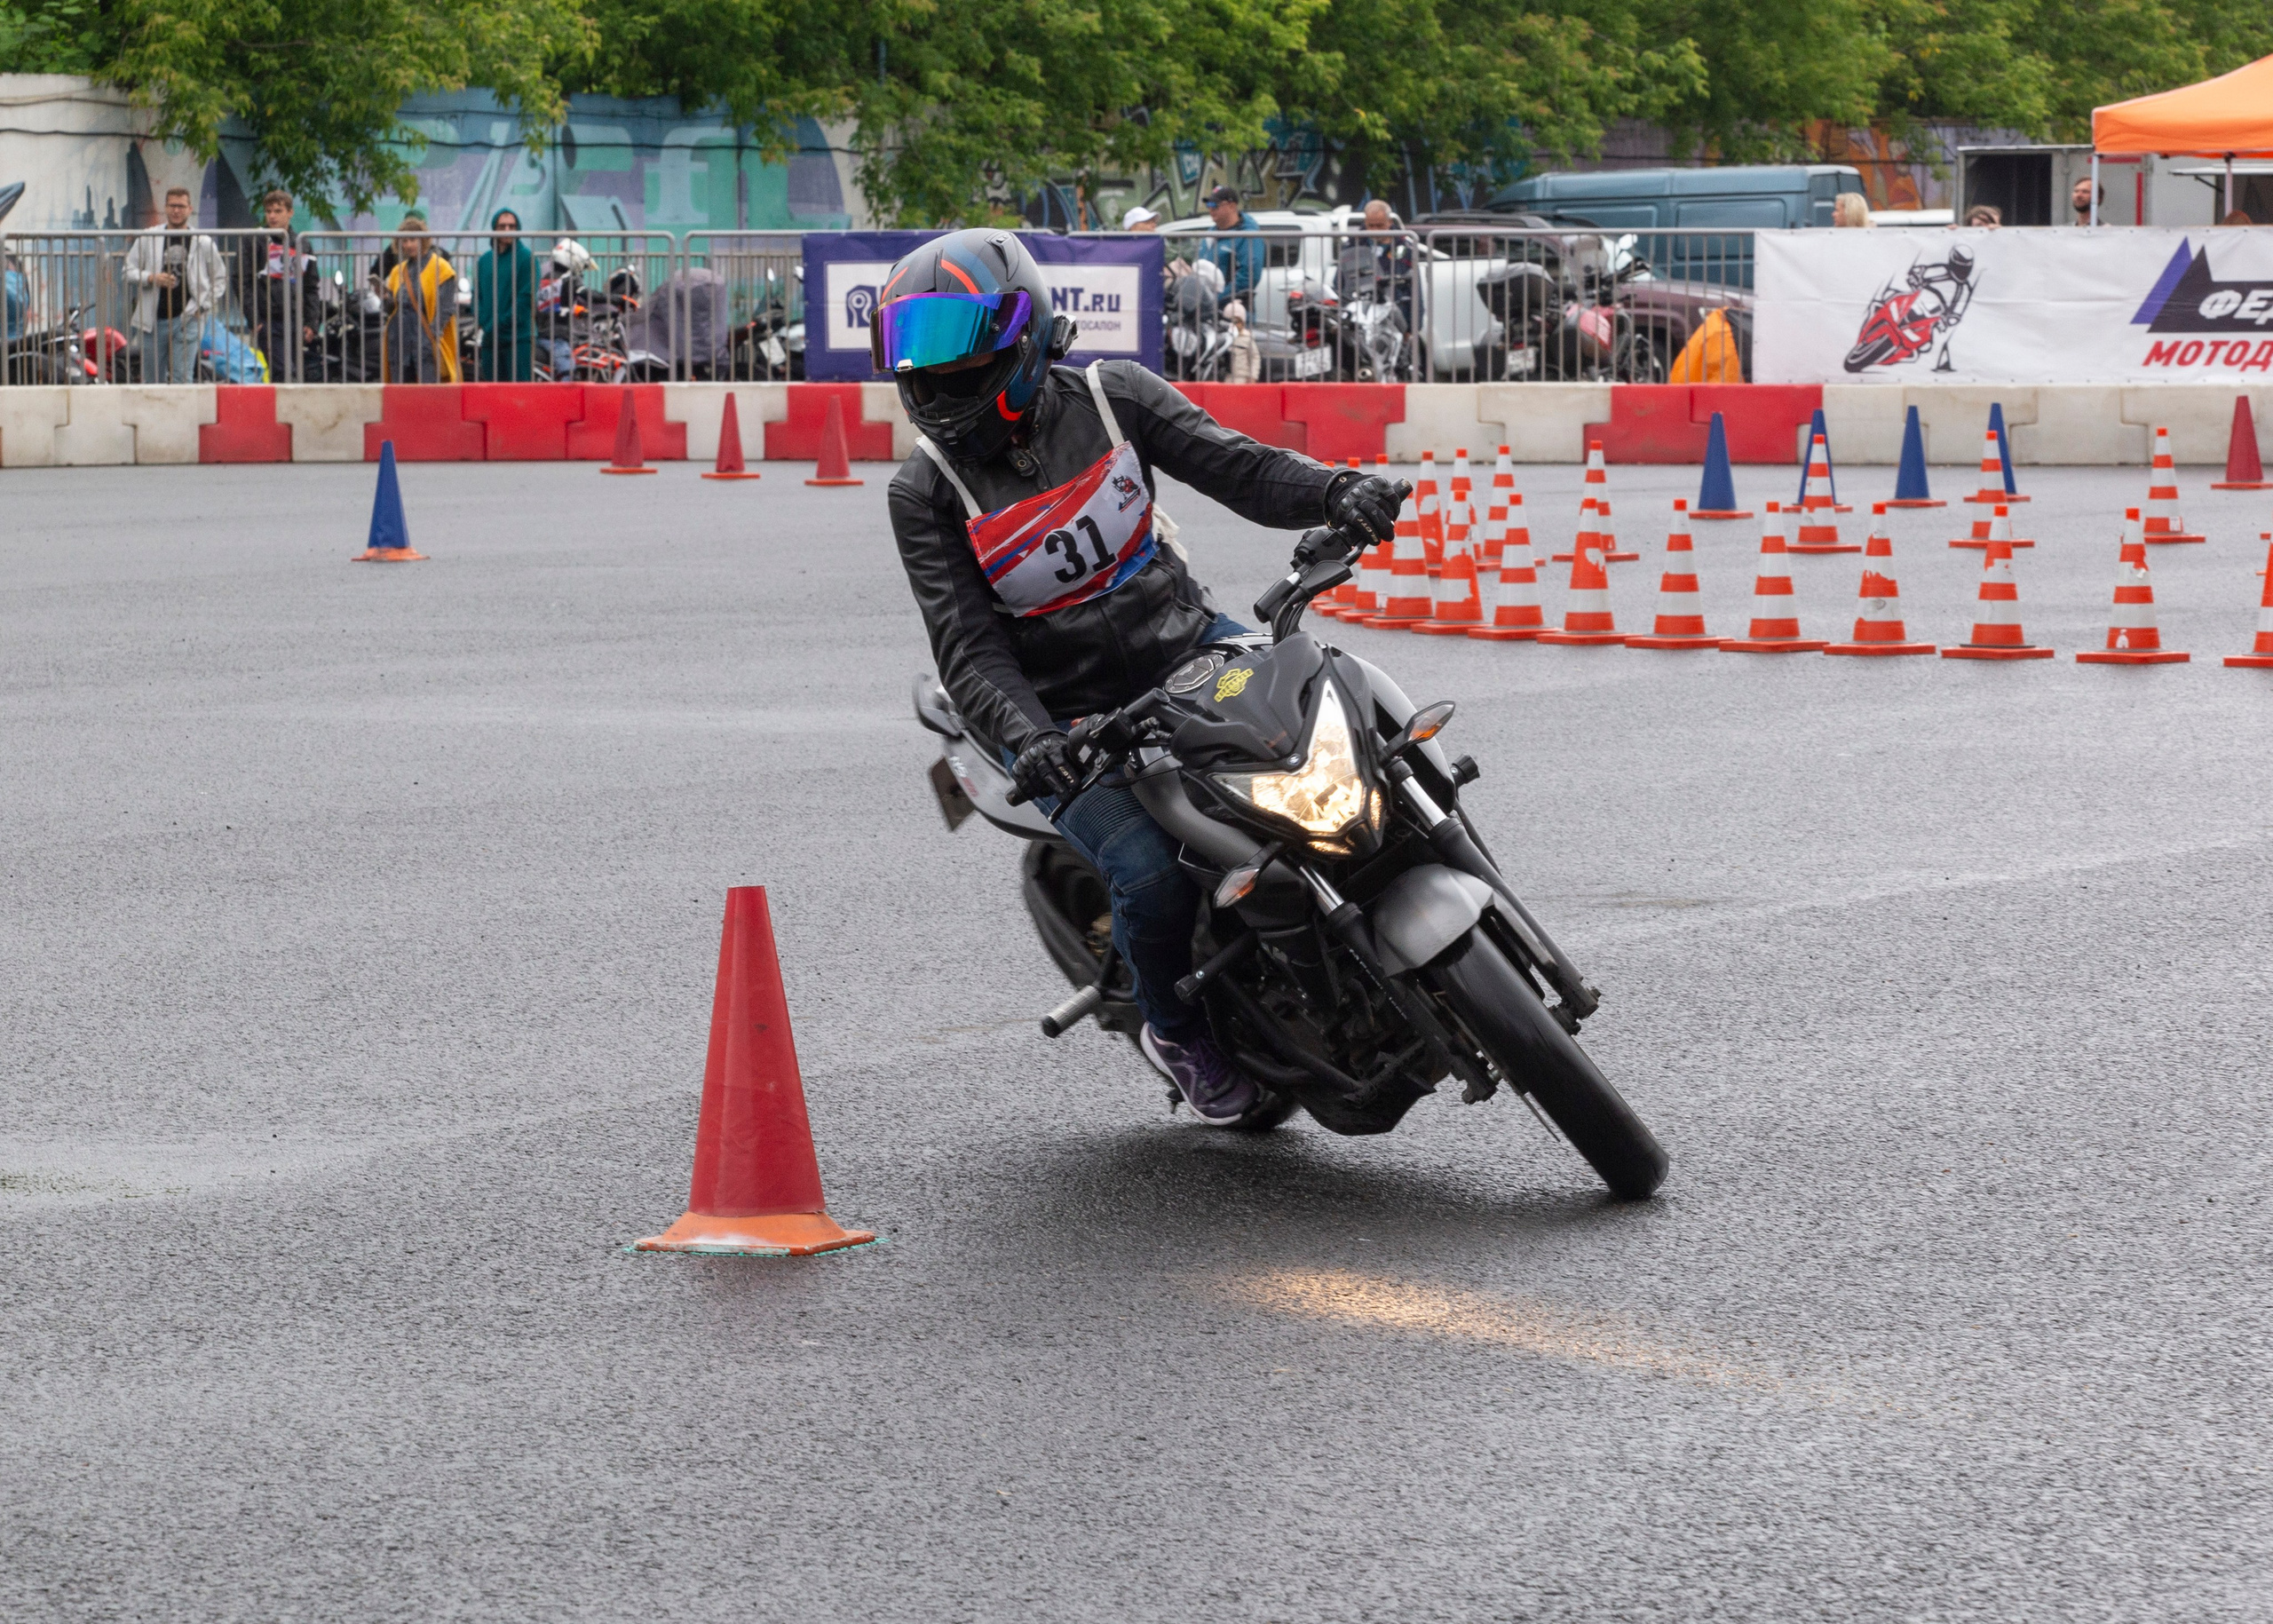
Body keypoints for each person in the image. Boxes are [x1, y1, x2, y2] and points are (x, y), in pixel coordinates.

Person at [879, 230, 1400, 1123]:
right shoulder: (925, 491)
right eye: (916, 351)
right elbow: (967, 645)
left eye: (958, 348)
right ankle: (1176, 1029)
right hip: (1067, 720)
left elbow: (1239, 466)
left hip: (1189, 642)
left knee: (1348, 705)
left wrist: (1333, 491)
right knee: (1149, 871)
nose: (936, 376)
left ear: (1023, 331)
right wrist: (1034, 740)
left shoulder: (1113, 396)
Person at [122, 186, 226, 383]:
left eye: (180, 206)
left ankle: (182, 415)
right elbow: (127, 272)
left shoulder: (202, 241)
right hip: (152, 321)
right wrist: (151, 278)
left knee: (182, 378)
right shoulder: (149, 237)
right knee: (152, 379)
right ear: (165, 208)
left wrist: (203, 306)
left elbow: (220, 278)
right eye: (172, 206)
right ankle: (156, 414)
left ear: (190, 209)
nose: (176, 210)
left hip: (188, 319)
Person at [240, 188, 318, 380]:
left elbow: (311, 287)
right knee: (284, 372)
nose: (272, 216)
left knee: (293, 373)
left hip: (294, 319)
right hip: (267, 320)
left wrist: (312, 322)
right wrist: (254, 318)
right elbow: (242, 281)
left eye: (278, 211)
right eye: (268, 211)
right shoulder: (255, 241)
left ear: (290, 212)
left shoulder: (302, 243)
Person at [379, 215, 460, 383]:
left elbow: (445, 308)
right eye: (404, 241)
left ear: (423, 240)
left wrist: (431, 337)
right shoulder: (397, 272)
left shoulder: (441, 268)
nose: (408, 245)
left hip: (425, 343)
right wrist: (386, 298)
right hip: (399, 343)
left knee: (429, 397)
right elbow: (391, 309)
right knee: (401, 397)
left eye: (412, 240)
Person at [472, 208, 537, 381]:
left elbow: (526, 300)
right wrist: (485, 323)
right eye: (502, 226)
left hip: (518, 339)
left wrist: (496, 324)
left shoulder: (527, 258)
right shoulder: (485, 261)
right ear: (494, 229)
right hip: (490, 341)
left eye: (512, 226)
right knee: (493, 396)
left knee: (519, 396)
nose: (508, 230)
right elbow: (476, 296)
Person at [1200, 184, 1263, 306]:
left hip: (1234, 310)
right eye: (1208, 205)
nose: (1210, 209)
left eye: (1215, 205)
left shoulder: (1248, 235)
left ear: (1232, 206)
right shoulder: (1210, 233)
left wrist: (1216, 299)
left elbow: (1248, 277)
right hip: (1207, 309)